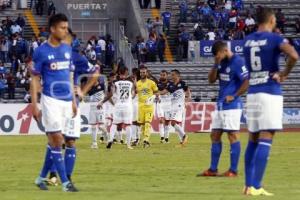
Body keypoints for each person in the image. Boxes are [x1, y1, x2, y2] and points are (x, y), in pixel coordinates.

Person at [243, 8, 299, 196]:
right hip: (269, 92)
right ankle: (257, 187)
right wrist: (283, 74)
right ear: (272, 19)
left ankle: (247, 185)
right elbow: (293, 55)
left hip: (252, 93)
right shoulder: (274, 38)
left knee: (253, 137)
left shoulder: (247, 40)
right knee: (267, 136)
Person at [30, 13, 78, 192]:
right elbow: (34, 79)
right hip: (50, 100)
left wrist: (73, 101)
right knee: (58, 139)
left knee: (54, 142)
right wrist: (34, 104)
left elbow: (69, 77)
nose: (65, 31)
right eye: (62, 28)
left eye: (66, 28)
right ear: (52, 29)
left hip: (67, 101)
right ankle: (65, 183)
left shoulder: (67, 49)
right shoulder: (41, 51)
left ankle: (40, 178)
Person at [198, 40, 249, 177]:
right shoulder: (220, 62)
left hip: (232, 105)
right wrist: (215, 64)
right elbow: (211, 80)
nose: (217, 57)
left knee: (232, 135)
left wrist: (234, 95)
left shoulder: (238, 61)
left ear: (225, 50)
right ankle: (213, 169)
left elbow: (247, 81)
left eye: (218, 55)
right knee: (214, 135)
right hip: (220, 104)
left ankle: (233, 170)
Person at [98, 67, 135, 150]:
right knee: (128, 125)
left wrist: (102, 102)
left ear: (119, 74)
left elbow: (110, 94)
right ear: (126, 73)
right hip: (127, 106)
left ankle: (110, 140)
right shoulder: (131, 83)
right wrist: (129, 98)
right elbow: (133, 94)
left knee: (114, 124)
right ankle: (128, 145)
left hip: (118, 106)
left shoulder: (115, 83)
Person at [160, 70, 190, 146]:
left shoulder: (182, 83)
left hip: (179, 106)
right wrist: (154, 92)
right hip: (173, 106)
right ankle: (182, 141)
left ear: (177, 75)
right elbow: (163, 92)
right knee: (175, 123)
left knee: (173, 122)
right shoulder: (170, 85)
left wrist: (187, 100)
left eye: (173, 75)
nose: (171, 76)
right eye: (171, 75)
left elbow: (188, 92)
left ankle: (184, 136)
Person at [136, 65, 158, 148]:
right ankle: (144, 139)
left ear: (146, 72)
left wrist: (154, 97)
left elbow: (156, 92)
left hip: (149, 106)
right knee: (142, 124)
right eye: (141, 72)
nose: (142, 74)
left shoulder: (151, 83)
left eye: (144, 72)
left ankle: (146, 139)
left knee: (147, 123)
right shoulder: (137, 83)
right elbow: (135, 93)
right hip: (140, 105)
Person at [156, 70, 171, 143]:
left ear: (167, 75)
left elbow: (168, 91)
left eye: (164, 75)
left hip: (168, 103)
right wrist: (157, 95)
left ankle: (166, 138)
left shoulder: (170, 84)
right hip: (160, 103)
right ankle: (162, 137)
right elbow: (155, 91)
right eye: (161, 75)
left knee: (167, 122)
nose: (162, 76)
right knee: (161, 120)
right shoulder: (157, 83)